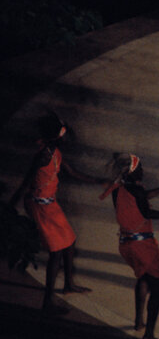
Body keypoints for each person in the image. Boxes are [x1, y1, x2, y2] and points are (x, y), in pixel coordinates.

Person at [8, 113, 97, 314]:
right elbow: (25, 183)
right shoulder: (43, 155)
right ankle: (47, 302)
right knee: (56, 251)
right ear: (58, 137)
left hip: (50, 204)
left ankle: (68, 285)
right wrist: (10, 208)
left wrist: (97, 181)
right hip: (39, 205)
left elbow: (72, 172)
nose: (67, 138)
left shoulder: (54, 151)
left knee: (70, 242)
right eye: (65, 134)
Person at [102, 153, 159, 339]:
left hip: (126, 244)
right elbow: (147, 210)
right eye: (139, 168)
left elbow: (143, 197)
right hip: (143, 246)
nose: (143, 171)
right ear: (132, 171)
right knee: (156, 290)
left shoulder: (119, 189)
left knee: (143, 278)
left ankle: (138, 321)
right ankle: (149, 334)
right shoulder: (136, 192)